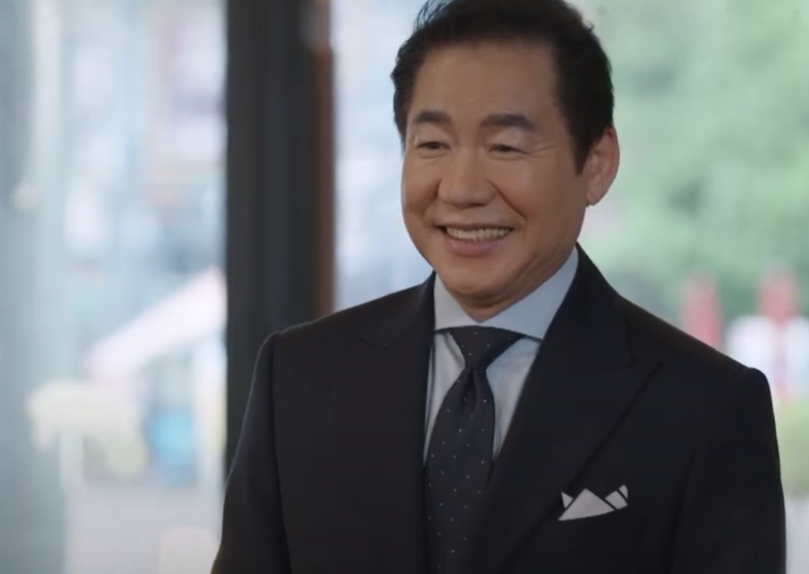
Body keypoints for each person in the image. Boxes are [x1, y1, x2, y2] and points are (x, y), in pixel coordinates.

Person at [211, 0, 786, 572]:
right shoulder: (301, 377)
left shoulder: (705, 409)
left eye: (505, 146)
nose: (461, 189)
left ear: (597, 164)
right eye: (433, 144)